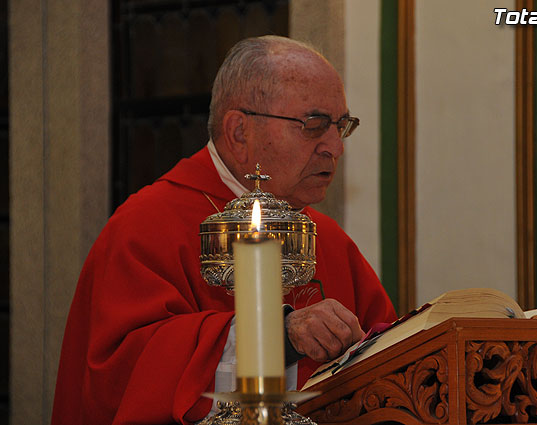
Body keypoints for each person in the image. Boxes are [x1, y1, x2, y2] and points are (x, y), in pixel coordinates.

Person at [51, 35, 396, 425]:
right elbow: (121, 376)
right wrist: (275, 336)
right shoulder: (145, 227)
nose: (335, 146)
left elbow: (391, 366)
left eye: (341, 126)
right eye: (314, 125)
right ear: (238, 132)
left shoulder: (327, 239)